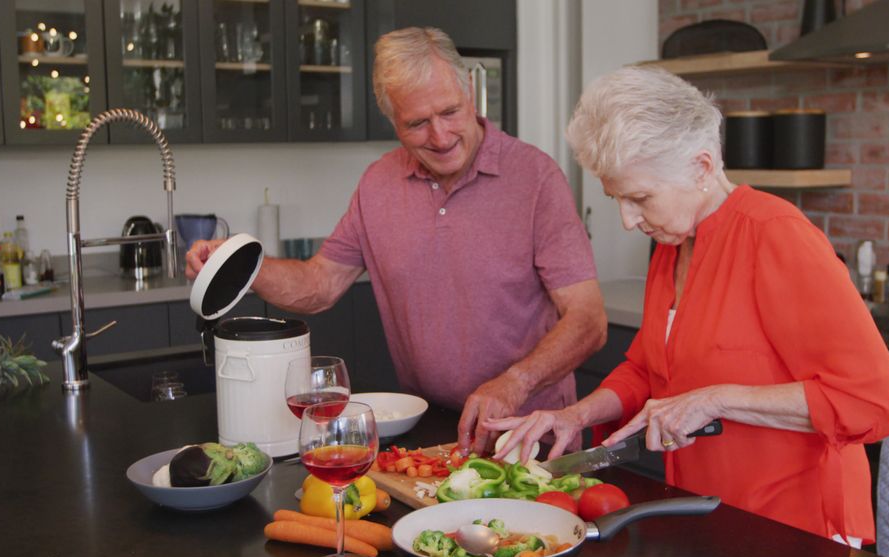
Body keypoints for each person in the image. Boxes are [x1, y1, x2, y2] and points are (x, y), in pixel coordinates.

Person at [487, 66, 889, 546]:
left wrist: (714, 398)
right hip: (708, 513)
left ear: (702, 168)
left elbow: (873, 402)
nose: (627, 220)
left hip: (796, 529)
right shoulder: (673, 243)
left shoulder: (775, 235)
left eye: (640, 198)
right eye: (617, 199)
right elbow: (648, 368)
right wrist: (575, 416)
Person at [186, 27, 607, 456]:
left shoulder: (536, 179)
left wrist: (515, 384)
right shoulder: (378, 184)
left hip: (532, 433)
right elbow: (318, 285)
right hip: (432, 434)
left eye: (450, 112)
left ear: (469, 89)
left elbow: (588, 321)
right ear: (392, 120)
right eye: (418, 124)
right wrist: (239, 263)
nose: (441, 137)